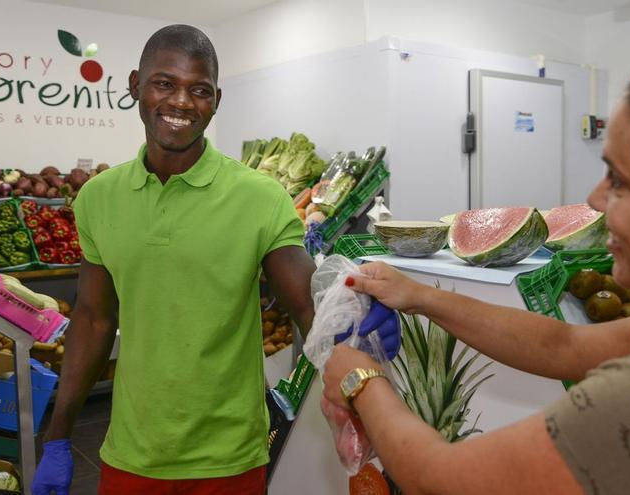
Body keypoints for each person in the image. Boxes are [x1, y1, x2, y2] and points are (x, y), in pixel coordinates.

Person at [322, 37, 630, 494]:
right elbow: (566, 344)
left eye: (621, 181)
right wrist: (422, 296)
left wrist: (361, 380)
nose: (594, 199)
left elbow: (438, 478)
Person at [31, 25, 398, 495]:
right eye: (164, 83)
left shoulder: (258, 197)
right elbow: (93, 317)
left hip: (229, 460)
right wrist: (58, 437)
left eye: (199, 90)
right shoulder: (98, 199)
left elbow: (307, 305)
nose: (182, 102)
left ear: (216, 99)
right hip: (130, 453)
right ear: (134, 86)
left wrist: (349, 316)